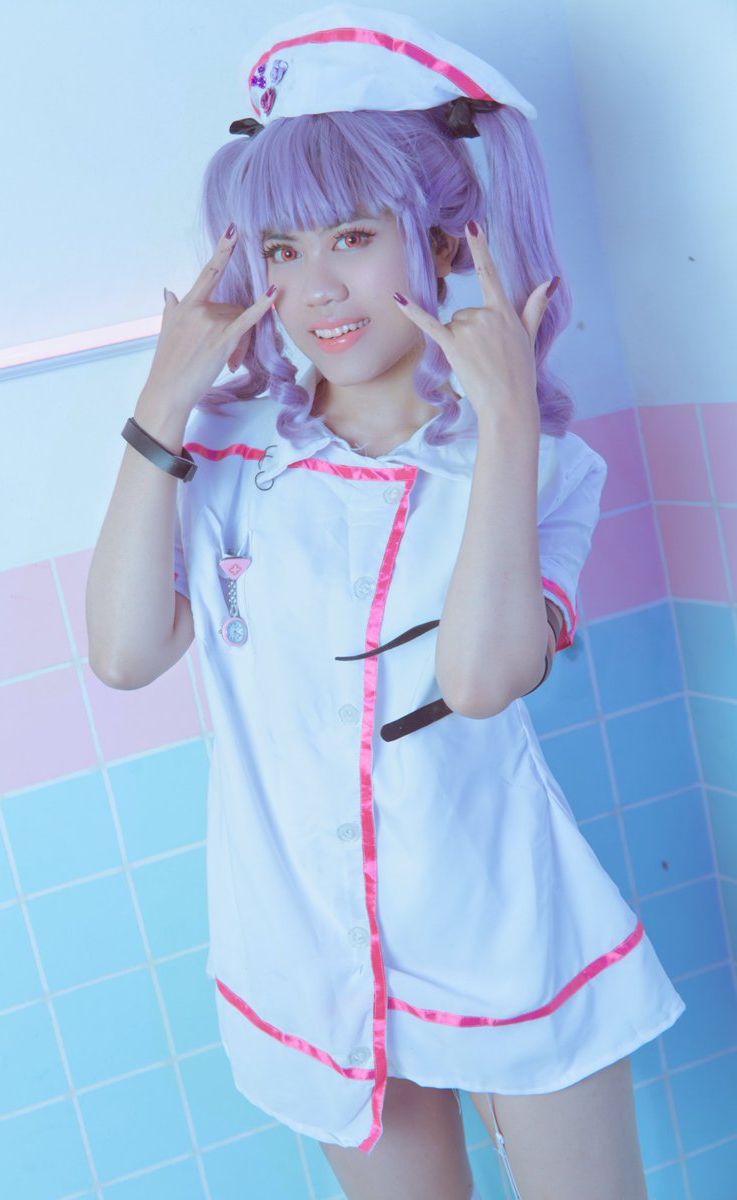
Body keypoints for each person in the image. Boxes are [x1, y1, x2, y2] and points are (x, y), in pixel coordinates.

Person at [86, 6, 686, 1198]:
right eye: (281, 248)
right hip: (304, 948)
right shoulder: (222, 451)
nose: (314, 287)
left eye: (353, 236)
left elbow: (479, 681)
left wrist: (504, 417)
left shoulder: (543, 469)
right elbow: (122, 653)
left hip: (501, 933)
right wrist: (161, 401)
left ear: (447, 239)